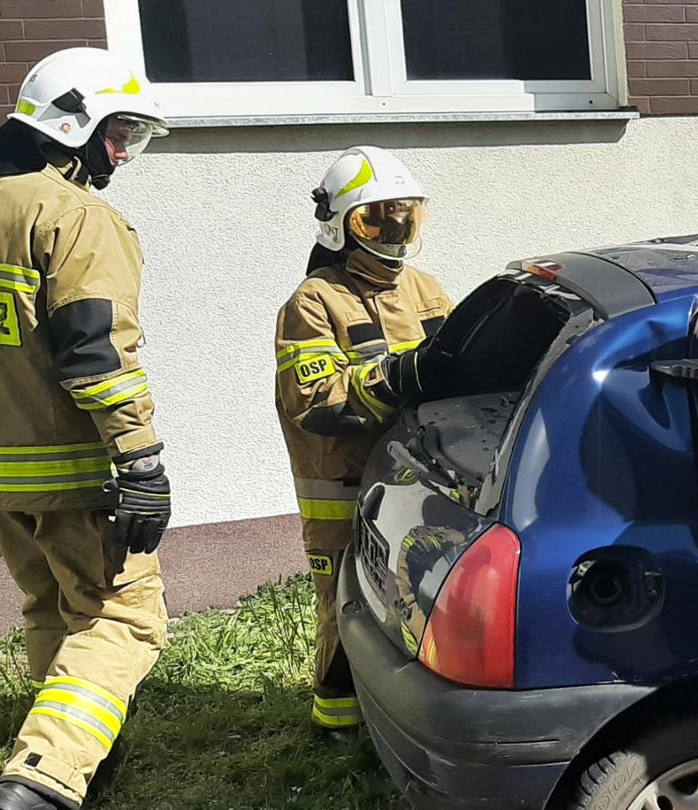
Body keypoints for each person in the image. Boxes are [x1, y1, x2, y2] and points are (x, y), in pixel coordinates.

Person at [0, 48, 173, 810]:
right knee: (126, 620)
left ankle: (78, 764)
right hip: (75, 473)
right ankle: (42, 784)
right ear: (78, 127)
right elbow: (96, 353)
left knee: (53, 612)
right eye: (119, 133)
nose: (123, 154)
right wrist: (140, 461)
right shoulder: (78, 217)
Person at [273, 145, 452, 731]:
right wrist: (397, 376)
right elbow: (316, 403)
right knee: (346, 605)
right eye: (378, 218)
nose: (395, 231)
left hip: (414, 480)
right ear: (340, 227)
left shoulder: (426, 290)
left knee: (412, 598)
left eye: (406, 216)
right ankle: (338, 723)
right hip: (343, 486)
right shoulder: (315, 301)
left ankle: (398, 717)